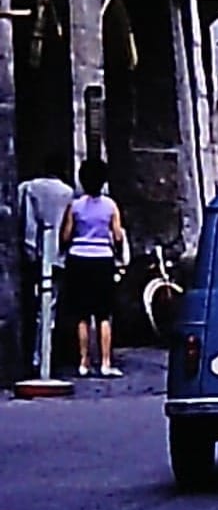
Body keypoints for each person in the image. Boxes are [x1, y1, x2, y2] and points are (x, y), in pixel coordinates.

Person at [60, 157, 127, 378]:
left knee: (81, 314)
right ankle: (105, 362)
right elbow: (118, 235)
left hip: (78, 259)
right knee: (103, 314)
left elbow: (66, 235)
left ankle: (83, 362)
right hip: (102, 260)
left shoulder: (75, 206)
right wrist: (117, 252)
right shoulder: (111, 206)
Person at [19, 155, 72, 353]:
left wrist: (29, 246)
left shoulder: (30, 187)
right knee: (51, 304)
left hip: (34, 249)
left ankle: (35, 350)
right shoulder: (67, 192)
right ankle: (44, 349)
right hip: (58, 253)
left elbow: (27, 220)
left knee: (32, 302)